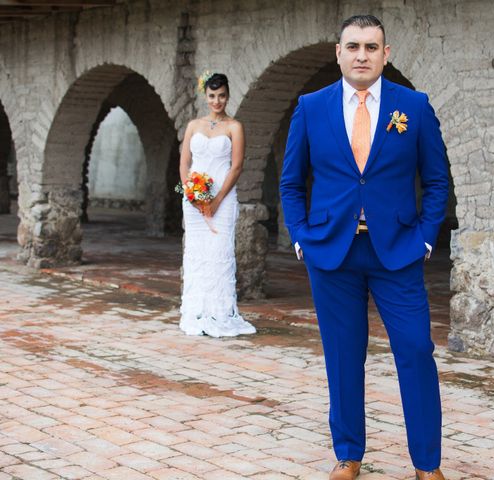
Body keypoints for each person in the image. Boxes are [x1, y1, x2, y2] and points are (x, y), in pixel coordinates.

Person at [280, 15, 449, 480]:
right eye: (352, 46)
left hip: (397, 253)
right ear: (338, 52)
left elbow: (436, 181)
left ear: (386, 54)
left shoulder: (413, 106)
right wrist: (300, 238)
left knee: (416, 350)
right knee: (343, 355)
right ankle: (349, 455)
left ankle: (427, 465)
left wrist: (426, 238)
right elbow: (291, 181)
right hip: (331, 254)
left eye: (371, 47)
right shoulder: (311, 107)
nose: (361, 55)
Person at [178, 72, 256, 338]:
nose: (217, 101)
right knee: (197, 253)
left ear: (228, 95)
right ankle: (196, 310)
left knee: (219, 252)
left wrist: (216, 199)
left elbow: (236, 167)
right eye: (212, 96)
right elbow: (184, 163)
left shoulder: (235, 127)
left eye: (222, 96)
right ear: (206, 96)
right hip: (194, 200)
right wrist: (191, 194)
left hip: (222, 198)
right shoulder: (193, 126)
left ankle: (220, 312)